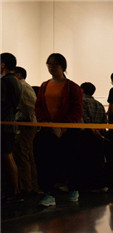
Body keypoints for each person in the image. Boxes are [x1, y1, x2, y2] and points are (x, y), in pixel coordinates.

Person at [34, 53, 83, 206]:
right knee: (47, 163)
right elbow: (39, 107)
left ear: (63, 66)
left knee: (71, 161)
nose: (51, 67)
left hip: (68, 131)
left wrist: (63, 127)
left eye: (55, 64)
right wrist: (46, 123)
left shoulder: (73, 87)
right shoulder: (44, 86)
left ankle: (73, 189)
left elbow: (77, 109)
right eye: (49, 64)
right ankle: (49, 194)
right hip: (48, 131)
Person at [14, 66, 40, 196]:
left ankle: (27, 187)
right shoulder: (25, 86)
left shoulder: (21, 86)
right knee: (28, 155)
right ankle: (32, 186)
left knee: (23, 155)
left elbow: (29, 108)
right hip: (30, 124)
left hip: (26, 125)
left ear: (18, 75)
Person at [1, 53, 22, 202]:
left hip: (4, 125)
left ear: (3, 64)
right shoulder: (15, 81)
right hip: (10, 123)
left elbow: (2, 104)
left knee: (7, 157)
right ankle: (14, 190)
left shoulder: (5, 81)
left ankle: (13, 191)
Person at [80, 82, 108, 191]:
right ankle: (100, 185)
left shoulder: (82, 102)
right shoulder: (99, 104)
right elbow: (104, 121)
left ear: (82, 91)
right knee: (98, 161)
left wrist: (92, 129)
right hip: (99, 136)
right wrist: (99, 132)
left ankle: (87, 185)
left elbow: (84, 118)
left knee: (86, 160)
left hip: (86, 135)